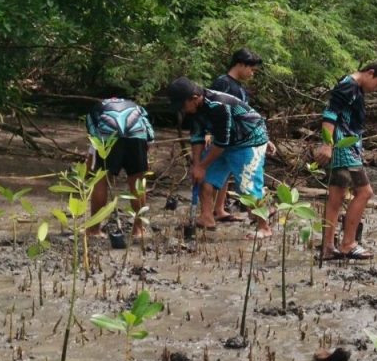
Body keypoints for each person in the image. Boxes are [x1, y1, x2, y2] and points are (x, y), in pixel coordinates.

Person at [312, 57, 377, 260]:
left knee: (336, 196)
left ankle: (327, 247)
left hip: (347, 145)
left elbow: (370, 73)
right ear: (369, 73)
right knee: (365, 192)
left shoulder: (355, 83)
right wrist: (327, 144)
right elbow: (330, 114)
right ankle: (348, 244)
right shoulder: (348, 86)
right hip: (343, 146)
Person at [167, 76, 273, 238]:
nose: (182, 110)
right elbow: (197, 137)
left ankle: (264, 227)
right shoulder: (193, 109)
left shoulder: (219, 105)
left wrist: (202, 166)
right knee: (204, 179)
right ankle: (207, 218)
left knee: (247, 186)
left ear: (194, 98)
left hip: (249, 140)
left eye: (182, 105)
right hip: (224, 141)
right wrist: (197, 165)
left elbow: (222, 142)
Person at [85, 98, 155, 238]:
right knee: (137, 183)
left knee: (101, 179)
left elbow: (94, 139)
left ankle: (94, 229)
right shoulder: (137, 108)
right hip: (137, 135)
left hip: (108, 136)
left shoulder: (96, 109)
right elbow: (150, 137)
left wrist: (89, 170)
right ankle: (138, 230)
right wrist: (145, 161)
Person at [209, 48, 265, 223]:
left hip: (237, 137)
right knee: (225, 174)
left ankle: (219, 208)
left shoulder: (239, 88)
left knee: (226, 173)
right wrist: (210, 133)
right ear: (240, 64)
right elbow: (214, 109)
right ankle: (215, 209)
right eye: (251, 69)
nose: (252, 74)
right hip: (226, 137)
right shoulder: (223, 84)